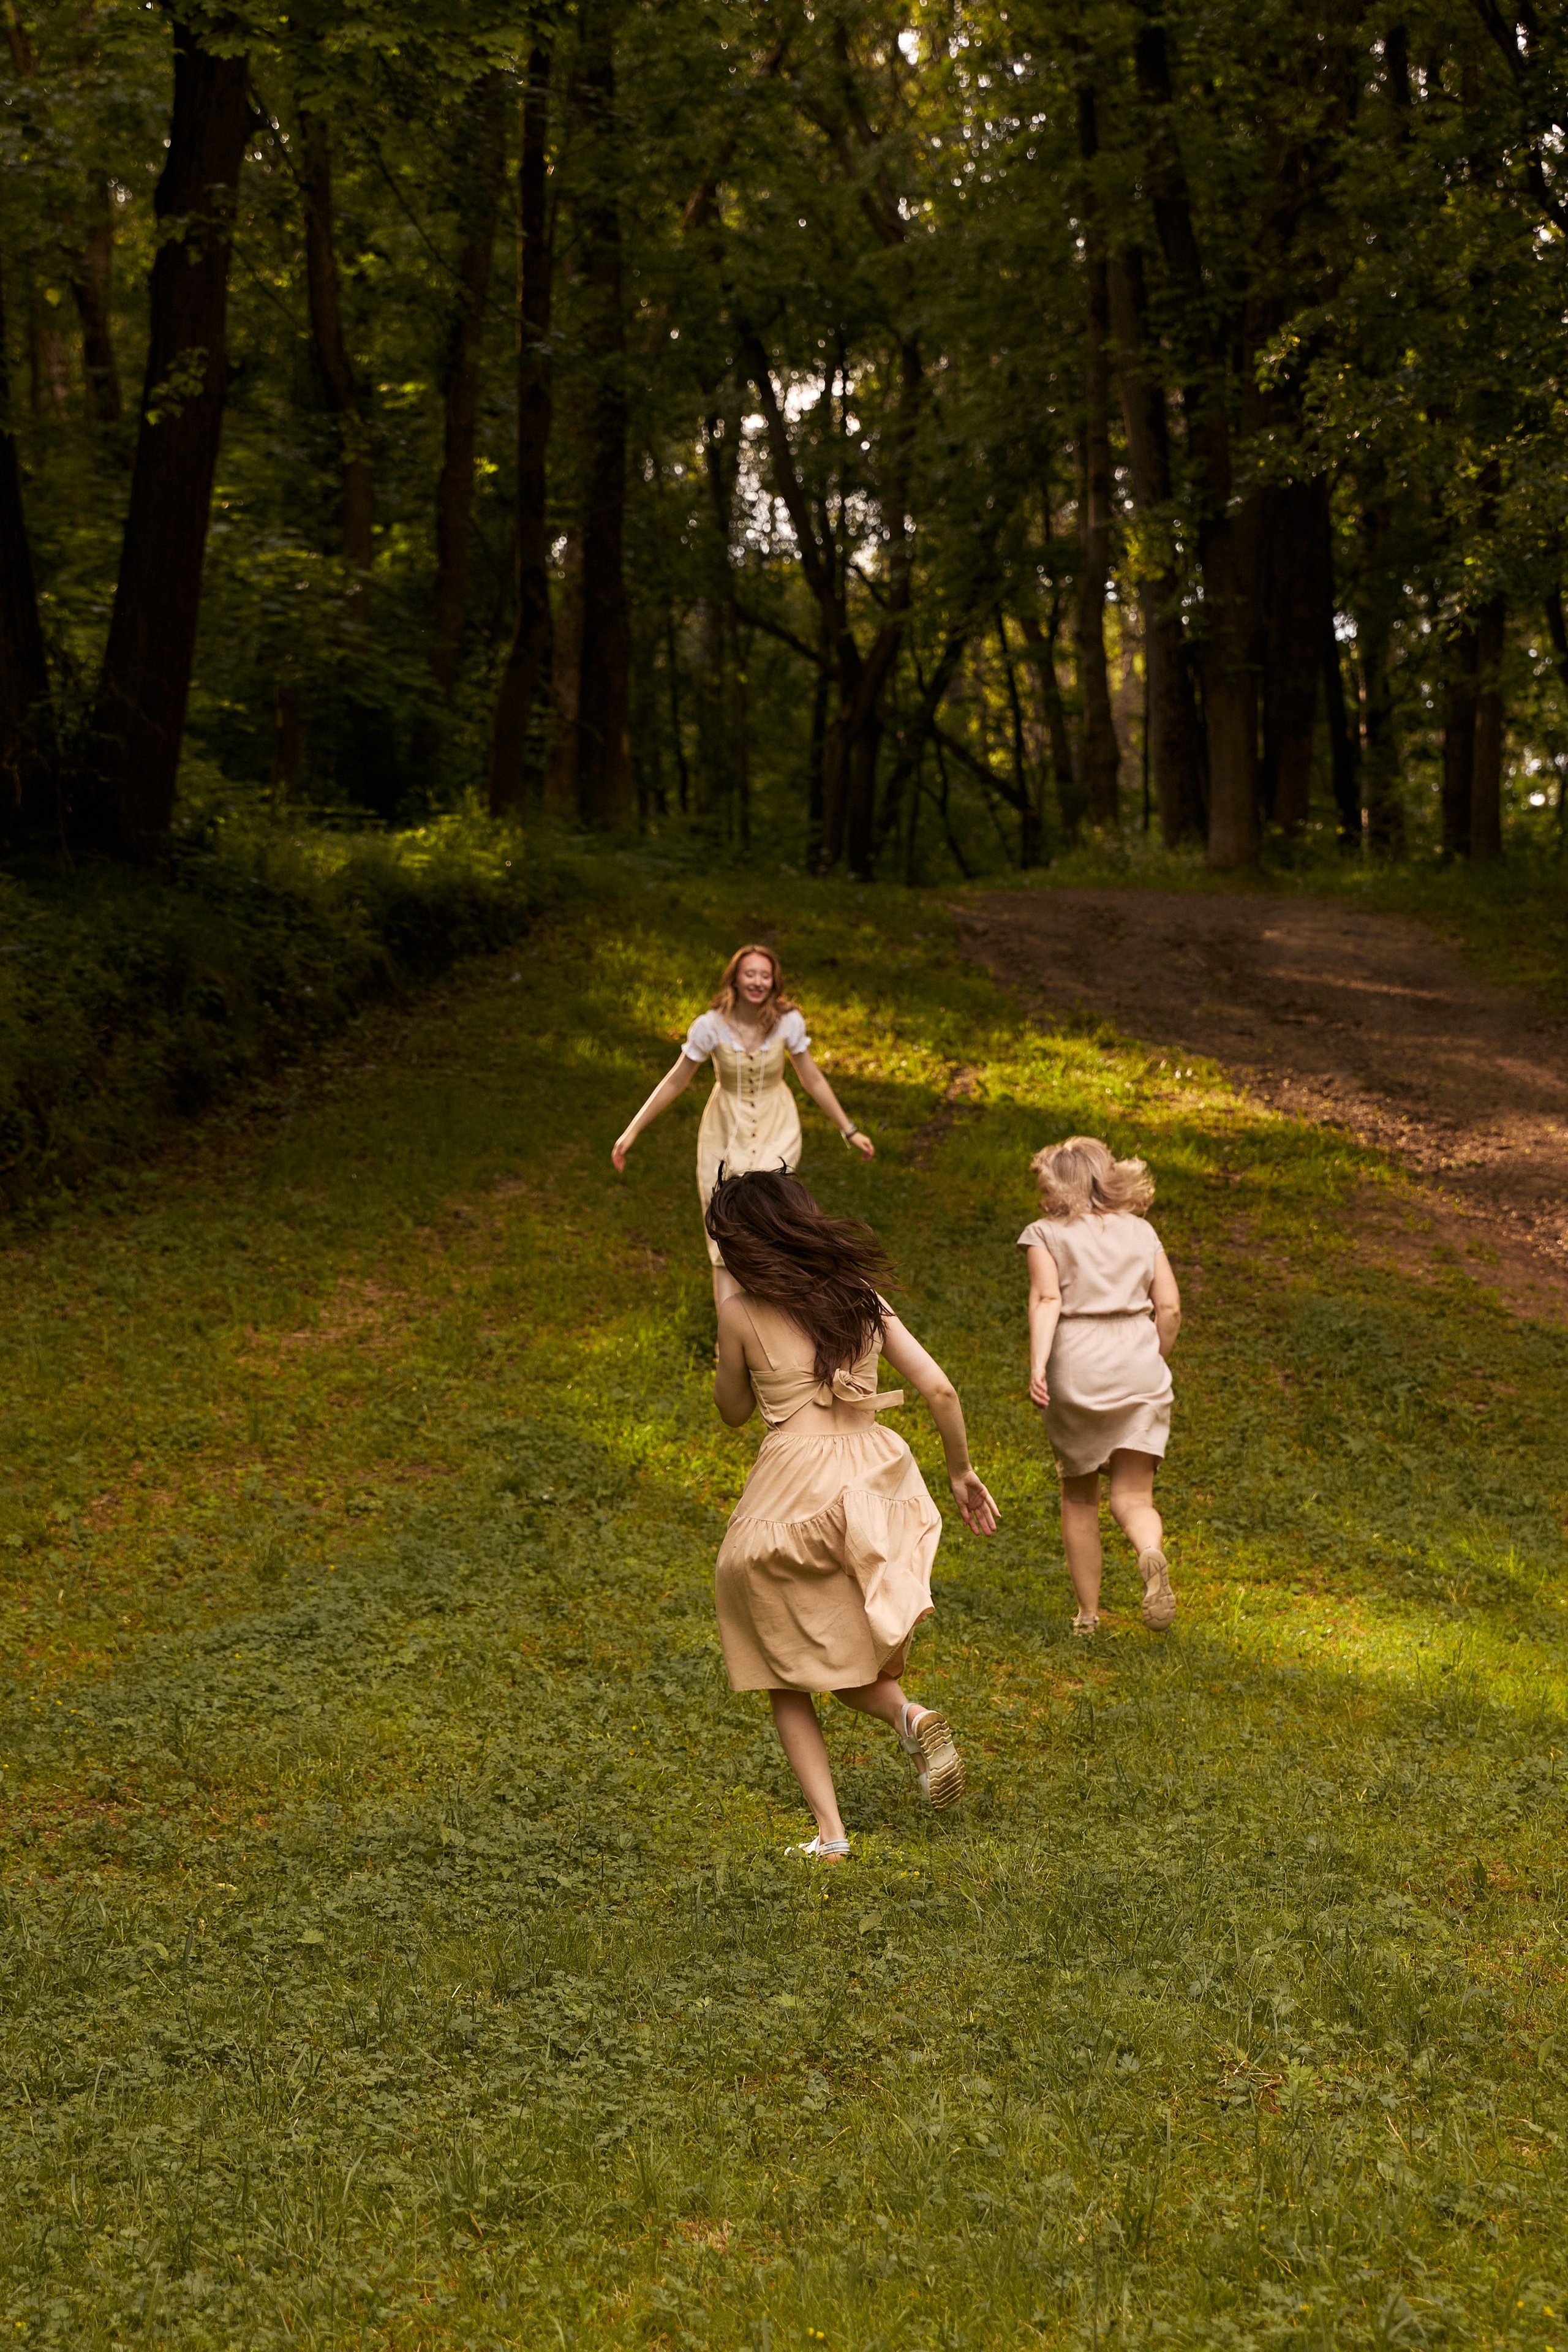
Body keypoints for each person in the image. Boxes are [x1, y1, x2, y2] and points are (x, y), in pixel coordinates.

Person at [707, 1169, 998, 1863]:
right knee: (840, 1648)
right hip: (875, 1482)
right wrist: (959, 1471)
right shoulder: (862, 1298)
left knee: (781, 1665)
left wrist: (733, 1319)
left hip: (795, 1490)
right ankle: (909, 1714)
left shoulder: (740, 1311)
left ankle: (832, 1835)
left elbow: (733, 1411)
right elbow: (940, 1388)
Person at [611, 944, 875, 1310]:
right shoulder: (710, 1026)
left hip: (776, 1124)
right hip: (725, 1127)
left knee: (772, 1216)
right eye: (750, 973)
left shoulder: (788, 1022)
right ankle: (730, 1330)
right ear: (735, 977)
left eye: (765, 975)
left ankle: (777, 1315)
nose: (758, 982)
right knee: (725, 1224)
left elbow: (812, 1079)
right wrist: (632, 1132)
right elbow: (676, 1080)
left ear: (774, 981)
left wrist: (849, 1130)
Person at [1019, 1136, 1181, 1636]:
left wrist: (1039, 1365)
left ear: (1055, 1182)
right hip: (1137, 1357)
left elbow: (1047, 1300)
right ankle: (1149, 1550)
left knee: (1080, 1497)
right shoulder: (1142, 1231)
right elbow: (1170, 1308)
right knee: (1133, 1497)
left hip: (1078, 1363)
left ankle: (1088, 1616)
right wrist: (1153, 1359)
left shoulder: (1045, 1233)